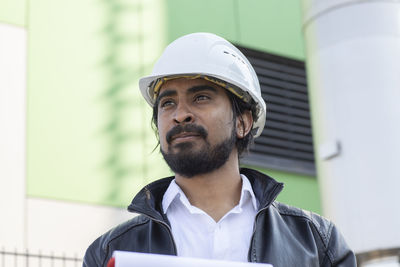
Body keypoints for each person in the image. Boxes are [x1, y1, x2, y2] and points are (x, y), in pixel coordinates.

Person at [83, 32, 356, 267]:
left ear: (243, 122)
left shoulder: (318, 243)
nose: (180, 115)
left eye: (200, 97)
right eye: (167, 103)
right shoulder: (107, 252)